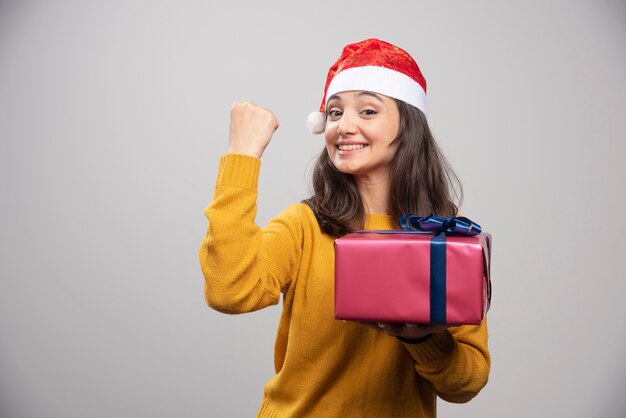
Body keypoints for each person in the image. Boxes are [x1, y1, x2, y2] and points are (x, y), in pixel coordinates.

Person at [199, 38, 490, 417]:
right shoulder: (304, 226)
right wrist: (242, 155)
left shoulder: (447, 241)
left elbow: (465, 384)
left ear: (408, 125)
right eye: (334, 113)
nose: (344, 126)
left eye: (367, 111)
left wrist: (421, 339)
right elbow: (228, 289)